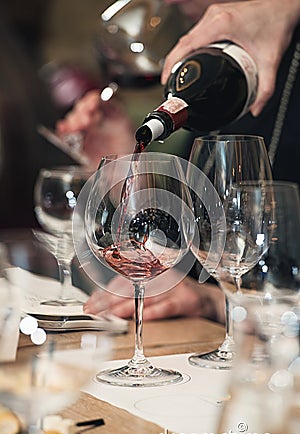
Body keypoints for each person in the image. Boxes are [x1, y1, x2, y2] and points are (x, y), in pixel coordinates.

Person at [59, 0, 300, 323]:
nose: (169, 2)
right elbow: (190, 241)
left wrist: (212, 301)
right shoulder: (223, 79)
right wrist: (125, 169)